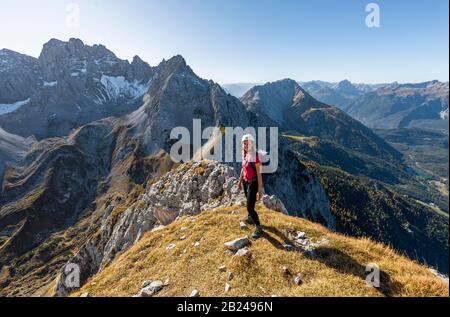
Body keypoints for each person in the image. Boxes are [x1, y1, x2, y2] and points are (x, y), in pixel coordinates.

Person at [238, 134, 264, 239]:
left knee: (249, 206)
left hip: (253, 183)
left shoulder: (256, 156)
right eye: (244, 143)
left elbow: (259, 174)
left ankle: (258, 227)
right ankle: (250, 218)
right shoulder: (245, 154)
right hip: (245, 182)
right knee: (248, 203)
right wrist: (240, 181)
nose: (245, 145)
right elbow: (243, 168)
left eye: (247, 143)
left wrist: (259, 190)